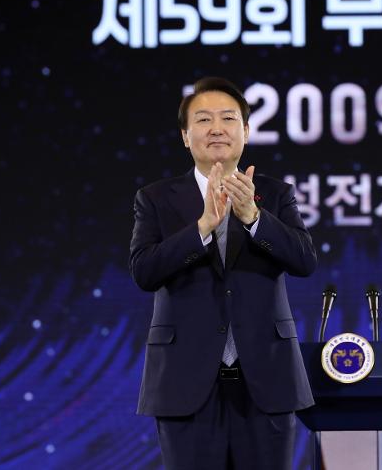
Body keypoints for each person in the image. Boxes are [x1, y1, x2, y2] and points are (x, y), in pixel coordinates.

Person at [129, 77, 317, 469]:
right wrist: (201, 229)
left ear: (246, 132)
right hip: (185, 382)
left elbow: (304, 261)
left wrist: (253, 218)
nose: (217, 128)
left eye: (228, 118)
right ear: (185, 136)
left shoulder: (275, 194)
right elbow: (145, 271)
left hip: (266, 379)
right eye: (203, 120)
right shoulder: (156, 198)